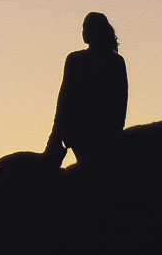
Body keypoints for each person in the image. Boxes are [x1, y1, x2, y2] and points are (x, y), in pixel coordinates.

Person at [44, 12, 128, 166]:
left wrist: (57, 132)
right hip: (81, 133)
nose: (83, 31)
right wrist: (56, 133)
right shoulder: (76, 59)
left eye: (87, 27)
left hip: (99, 132)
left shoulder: (111, 62)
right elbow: (65, 98)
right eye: (83, 27)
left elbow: (120, 99)